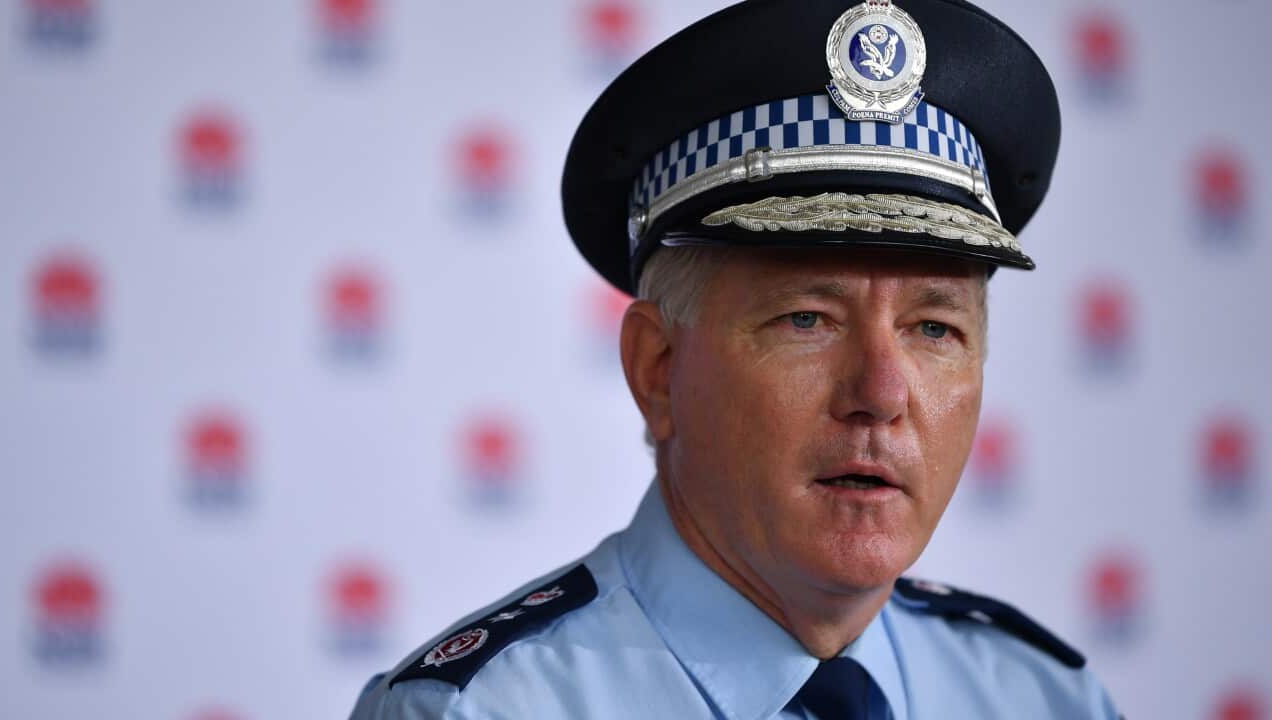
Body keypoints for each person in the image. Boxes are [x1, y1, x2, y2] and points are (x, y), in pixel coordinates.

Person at [351, 0, 1122, 717]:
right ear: (657, 368)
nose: (882, 392)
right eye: (807, 318)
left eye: (933, 329)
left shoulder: (1047, 697)